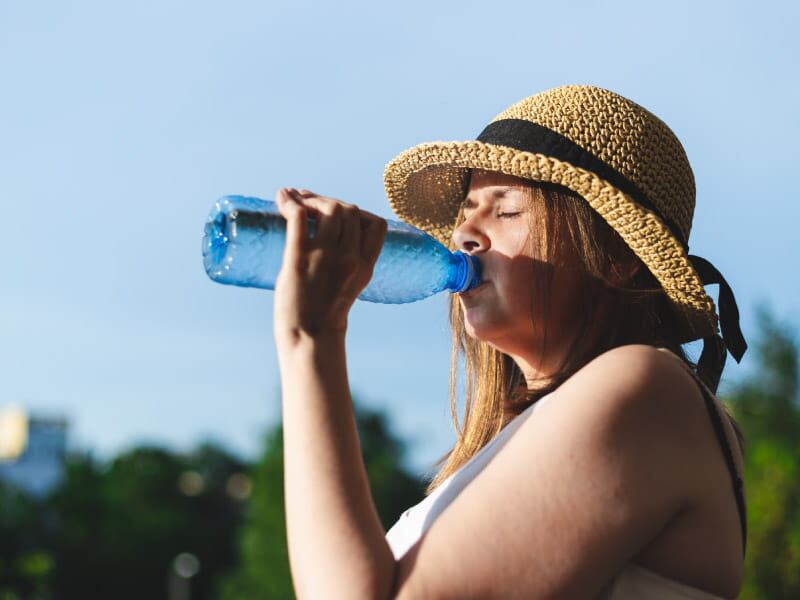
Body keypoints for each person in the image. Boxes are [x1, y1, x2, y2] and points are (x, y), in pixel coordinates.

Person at [273, 85, 748, 599]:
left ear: (617, 256)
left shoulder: (645, 386)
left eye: (506, 211)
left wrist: (311, 338)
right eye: (467, 210)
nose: (463, 235)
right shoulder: (523, 438)